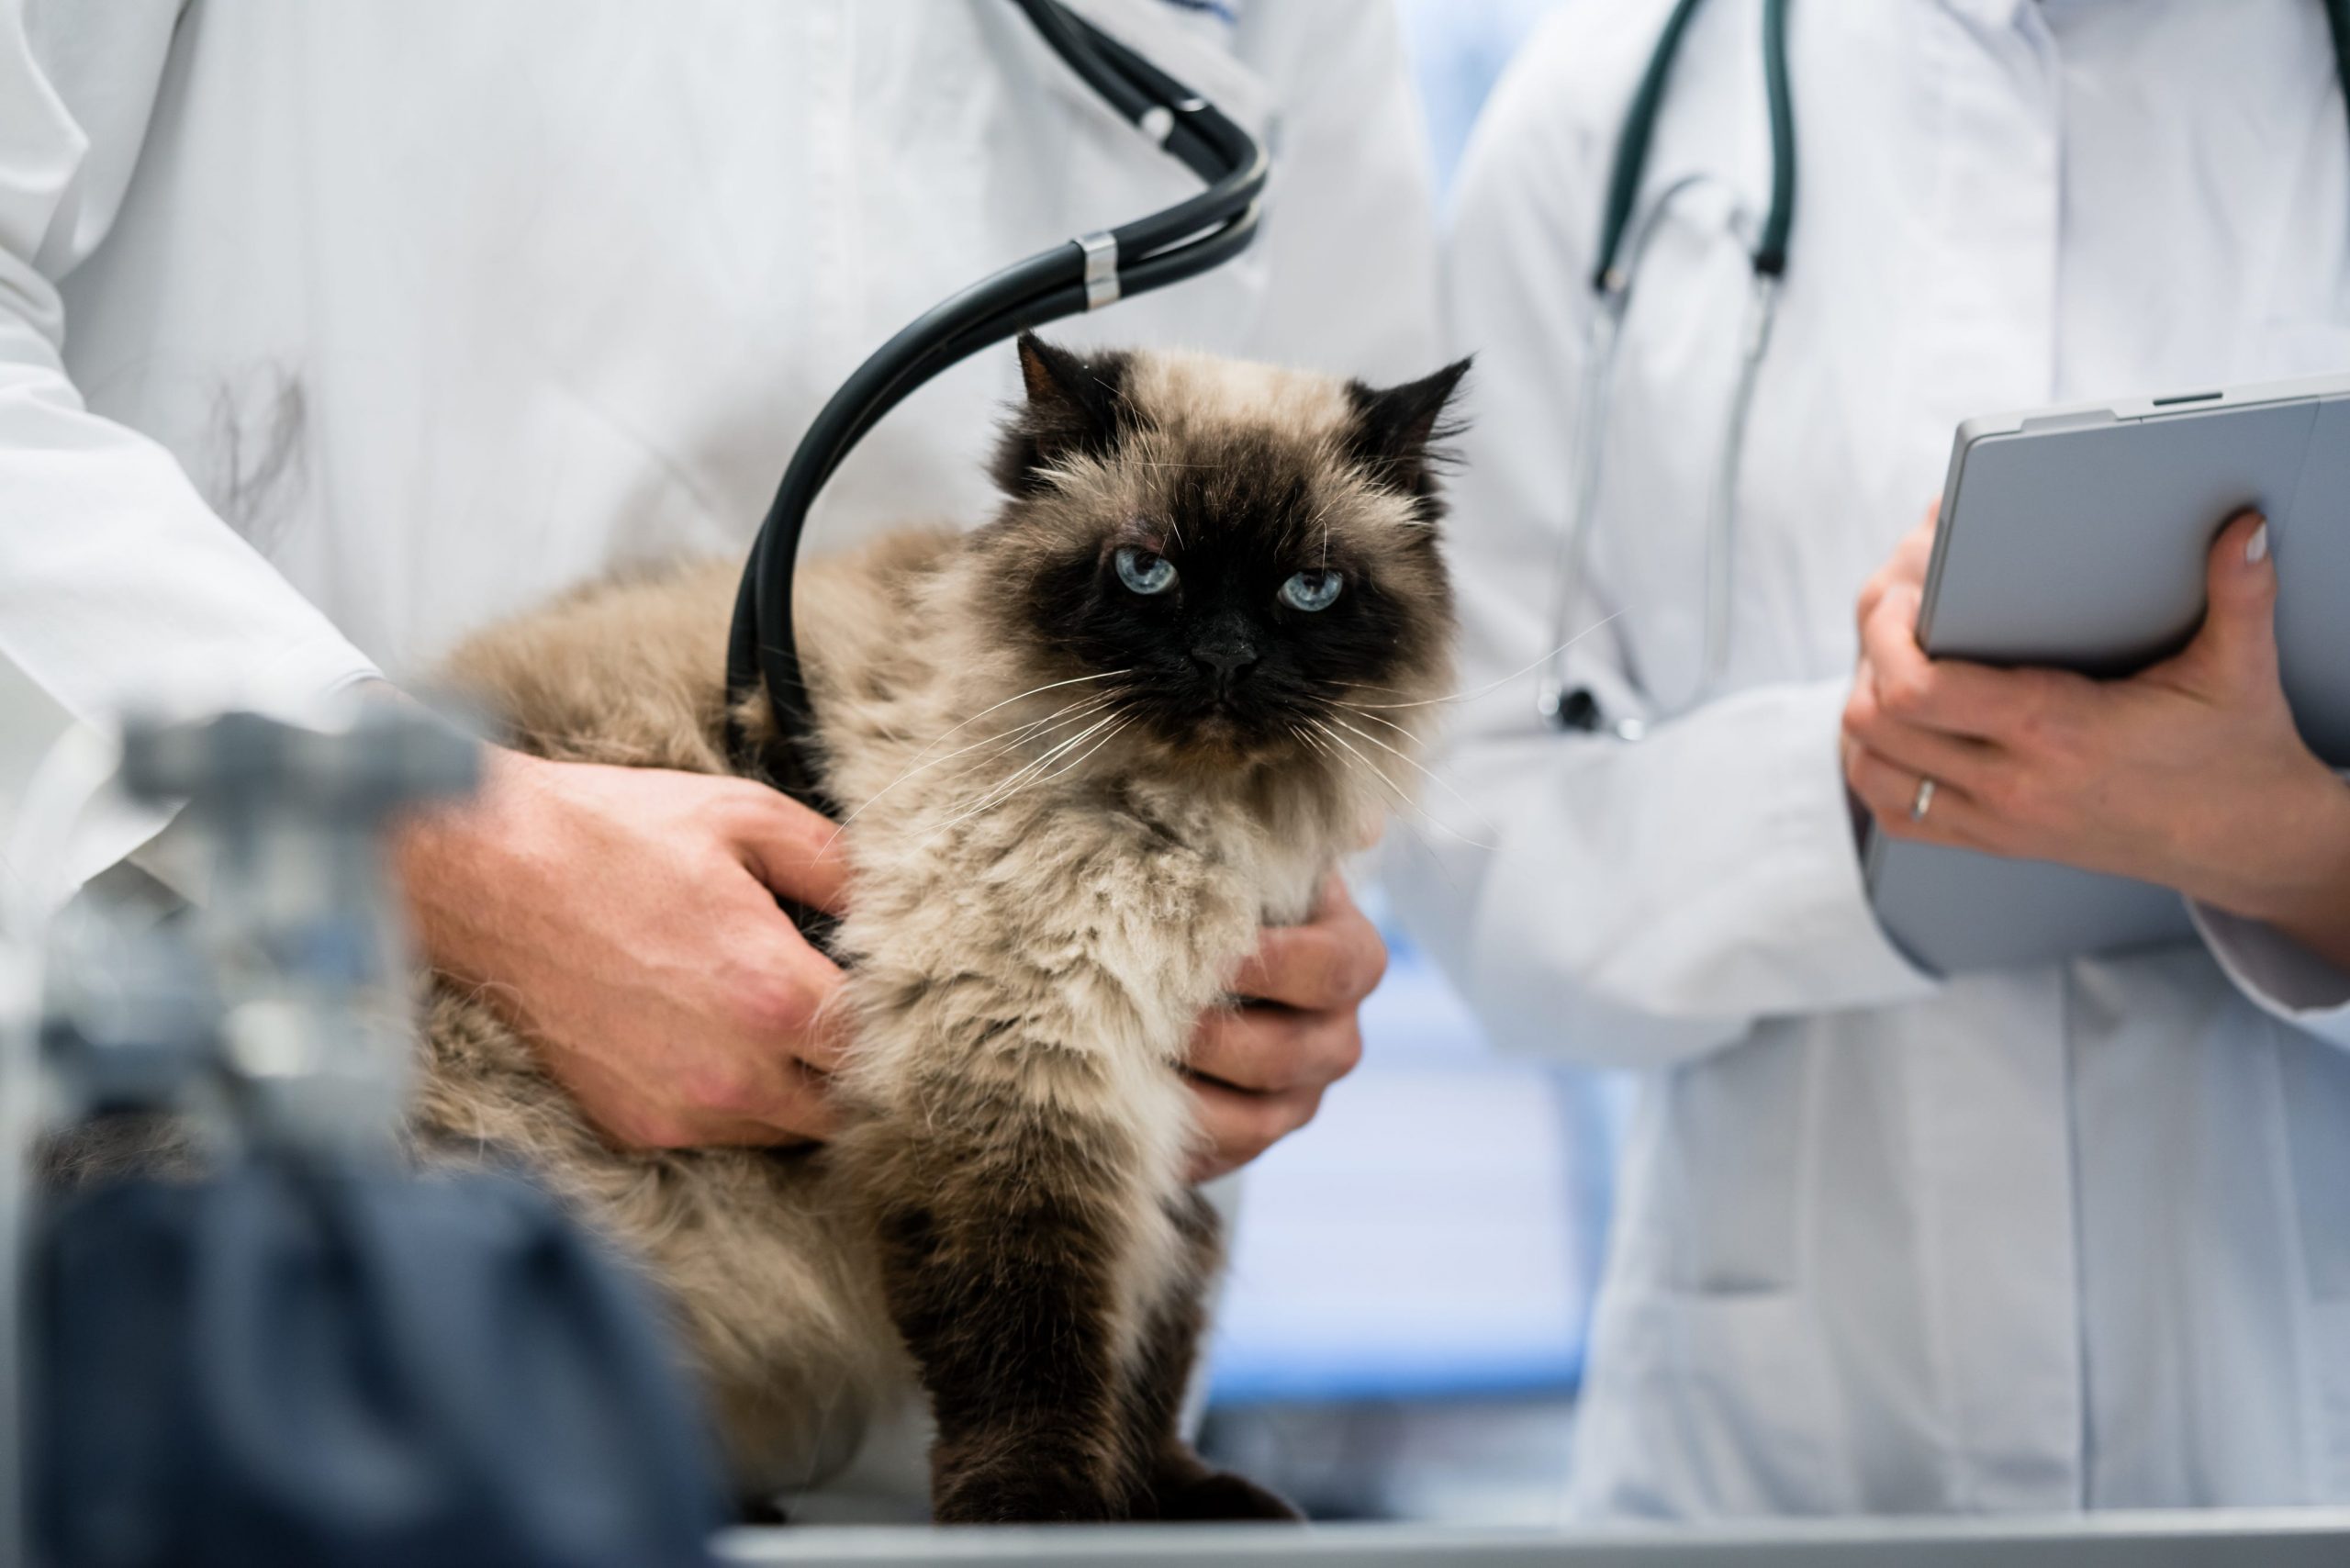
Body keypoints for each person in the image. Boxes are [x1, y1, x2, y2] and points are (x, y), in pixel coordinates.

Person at [0, 0, 1429, 1513]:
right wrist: (425, 835)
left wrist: (1260, 906)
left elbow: (1354, 444)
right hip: (350, 1186)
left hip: (912, 1382)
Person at [1394, 0, 2350, 1518]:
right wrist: (1875, 793)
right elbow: (1463, 826)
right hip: (1780, 1461)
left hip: (2291, 1441)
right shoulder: (1604, 107)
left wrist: (2305, 855)